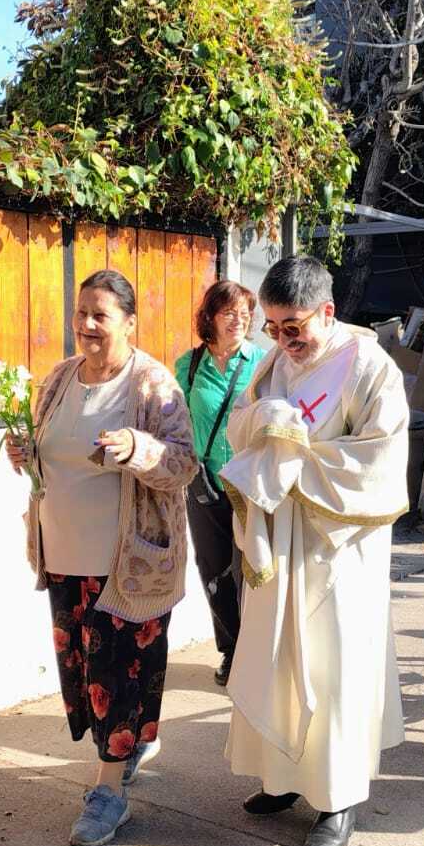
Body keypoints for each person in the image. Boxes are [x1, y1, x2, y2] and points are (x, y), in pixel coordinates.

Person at [219, 255, 408, 846]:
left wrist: (294, 453)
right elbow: (240, 426)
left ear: (327, 311)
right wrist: (264, 419)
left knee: (334, 670)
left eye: (293, 326)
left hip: (338, 545)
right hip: (280, 540)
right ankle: (281, 779)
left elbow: (379, 460)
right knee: (276, 660)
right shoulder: (274, 362)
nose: (282, 339)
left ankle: (338, 797)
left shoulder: (369, 366)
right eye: (272, 327)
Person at [6, 269, 198, 846]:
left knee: (116, 675)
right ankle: (130, 744)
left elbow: (184, 464)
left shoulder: (153, 384)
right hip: (64, 555)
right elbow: (51, 455)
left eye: (101, 315)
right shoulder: (60, 378)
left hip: (128, 566)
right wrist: (24, 452)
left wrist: (138, 448)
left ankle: (108, 793)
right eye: (81, 312)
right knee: (84, 675)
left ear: (129, 323)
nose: (87, 324)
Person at [173, 280, 261, 686]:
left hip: (251, 483)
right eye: (229, 312)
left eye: (245, 313)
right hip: (205, 483)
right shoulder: (189, 365)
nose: (238, 320)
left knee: (253, 567)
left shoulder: (263, 362)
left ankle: (257, 652)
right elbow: (176, 422)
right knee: (214, 568)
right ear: (210, 316)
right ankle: (231, 650)